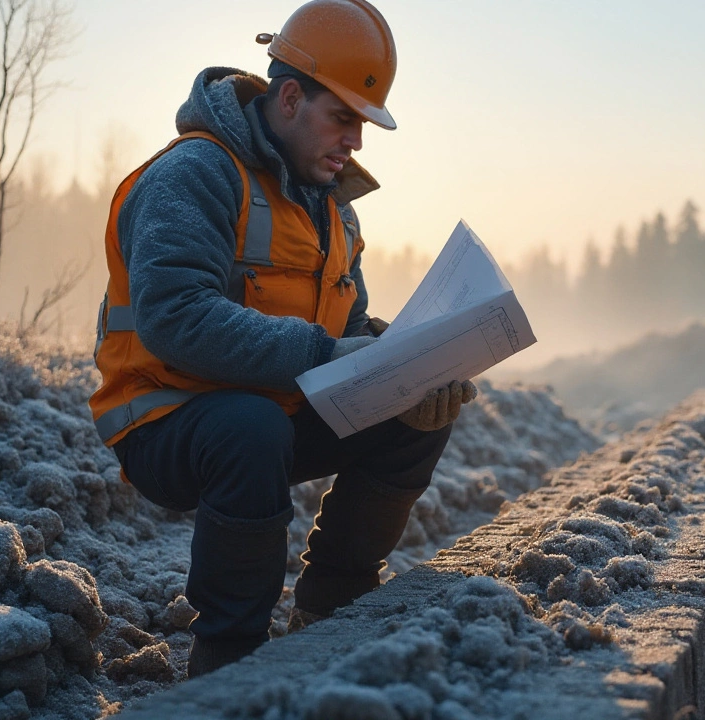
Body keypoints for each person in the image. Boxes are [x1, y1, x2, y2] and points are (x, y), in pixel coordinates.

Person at [87, 0, 475, 677]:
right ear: (291, 97)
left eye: (364, 124)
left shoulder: (336, 211)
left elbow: (345, 332)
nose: (356, 141)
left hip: (274, 409)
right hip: (163, 417)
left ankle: (333, 608)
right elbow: (176, 318)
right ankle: (229, 659)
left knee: (412, 412)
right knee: (251, 426)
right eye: (344, 118)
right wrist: (329, 356)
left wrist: (406, 362)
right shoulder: (196, 174)